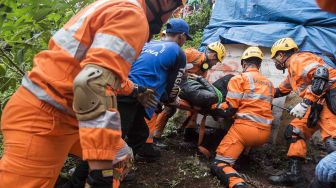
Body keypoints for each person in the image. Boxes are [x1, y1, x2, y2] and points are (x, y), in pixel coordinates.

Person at [0, 0, 186, 187]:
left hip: (66, 113)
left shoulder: (115, 5)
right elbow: (92, 84)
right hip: (45, 118)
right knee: (107, 167)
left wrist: (135, 89)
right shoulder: (132, 16)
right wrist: (102, 170)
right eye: (174, 10)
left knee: (120, 157)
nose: (168, 18)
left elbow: (96, 72)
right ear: (166, 2)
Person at [119, 18, 191, 162]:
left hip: (124, 85)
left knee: (140, 133)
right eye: (185, 39)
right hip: (133, 95)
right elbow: (174, 85)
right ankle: (96, 175)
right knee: (113, 139)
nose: (184, 42)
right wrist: (169, 100)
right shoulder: (178, 52)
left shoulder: (149, 43)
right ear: (181, 36)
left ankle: (121, 166)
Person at [268, 37, 336, 186]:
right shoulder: (292, 73)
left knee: (333, 143)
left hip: (330, 101)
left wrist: (305, 103)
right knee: (295, 130)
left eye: (275, 58)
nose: (275, 62)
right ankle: (294, 175)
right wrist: (260, 93)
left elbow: (321, 74)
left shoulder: (297, 59)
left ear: (281, 55)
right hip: (317, 104)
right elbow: (280, 90)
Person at [210, 47, 274, 188]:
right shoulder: (269, 84)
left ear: (244, 64)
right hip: (264, 133)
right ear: (259, 64)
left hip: (244, 131)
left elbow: (231, 108)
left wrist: (215, 107)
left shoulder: (239, 78)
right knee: (244, 138)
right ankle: (244, 158)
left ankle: (238, 184)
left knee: (219, 163)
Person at [153, 42, 226, 141]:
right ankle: (154, 136)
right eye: (216, 61)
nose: (214, 64)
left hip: (184, 89)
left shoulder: (204, 70)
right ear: (213, 55)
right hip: (170, 83)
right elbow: (169, 63)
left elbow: (197, 88)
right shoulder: (191, 54)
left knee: (194, 108)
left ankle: (189, 132)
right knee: (168, 109)